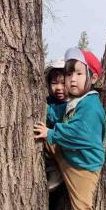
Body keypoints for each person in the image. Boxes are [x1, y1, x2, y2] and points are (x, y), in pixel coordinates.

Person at [34, 47, 106, 210]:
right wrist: (44, 110)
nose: (72, 79)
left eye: (79, 73)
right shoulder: (74, 100)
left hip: (82, 167)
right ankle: (55, 170)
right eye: (69, 74)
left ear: (93, 78)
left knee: (82, 206)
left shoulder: (91, 105)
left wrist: (52, 133)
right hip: (66, 154)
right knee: (44, 140)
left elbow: (79, 133)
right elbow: (58, 115)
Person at [44, 58, 67, 190]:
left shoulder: (72, 103)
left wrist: (46, 109)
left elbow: (57, 118)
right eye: (54, 83)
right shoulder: (49, 101)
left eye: (63, 83)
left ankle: (57, 172)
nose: (59, 88)